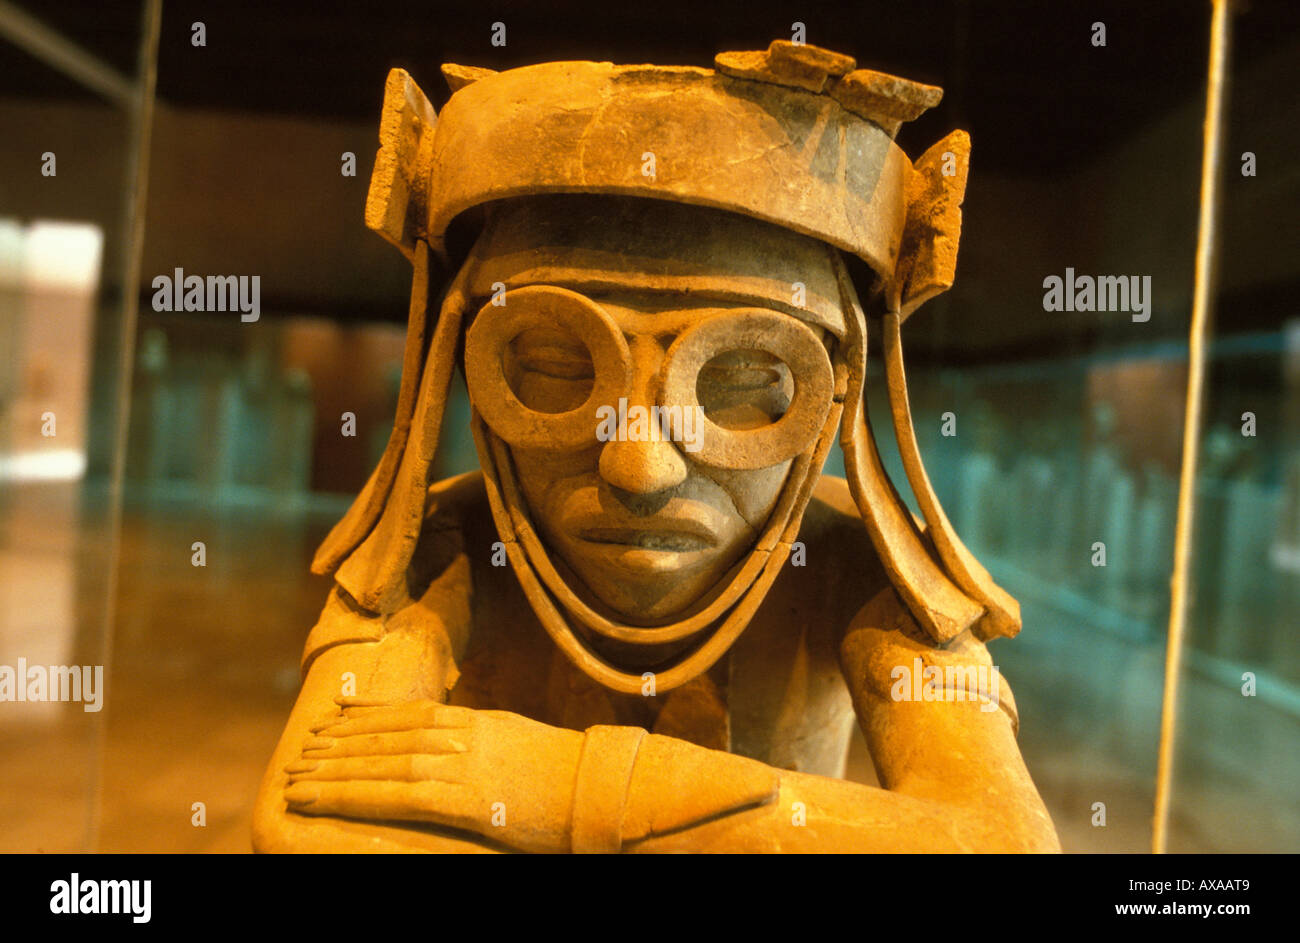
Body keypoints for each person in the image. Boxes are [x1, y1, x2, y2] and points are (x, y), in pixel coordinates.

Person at [252, 41, 1060, 853]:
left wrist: (555, 786)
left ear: (835, 393)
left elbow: (1005, 843)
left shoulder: (859, 570)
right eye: (557, 368)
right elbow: (298, 828)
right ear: (462, 367)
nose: (639, 466)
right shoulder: (442, 550)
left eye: (739, 385)